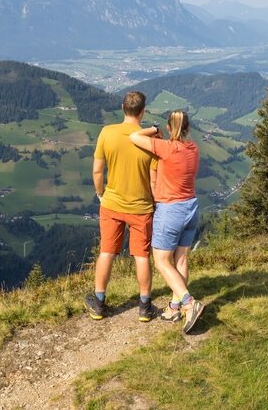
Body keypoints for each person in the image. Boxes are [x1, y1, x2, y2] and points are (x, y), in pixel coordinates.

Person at [86, 91, 160, 322]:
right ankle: (145, 307)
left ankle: (99, 303)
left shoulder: (107, 133)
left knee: (107, 251)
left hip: (111, 204)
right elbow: (154, 179)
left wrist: (101, 194)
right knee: (141, 256)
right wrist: (155, 203)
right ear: (143, 111)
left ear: (122, 108)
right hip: (141, 207)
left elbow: (98, 171)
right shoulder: (150, 141)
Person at [129, 109, 204, 334]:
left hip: (170, 209)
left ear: (169, 128)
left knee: (161, 261)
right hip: (191, 207)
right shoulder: (193, 148)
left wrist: (153, 130)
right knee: (180, 259)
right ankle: (174, 307)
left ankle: (190, 303)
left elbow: (134, 137)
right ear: (188, 128)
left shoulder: (166, 148)